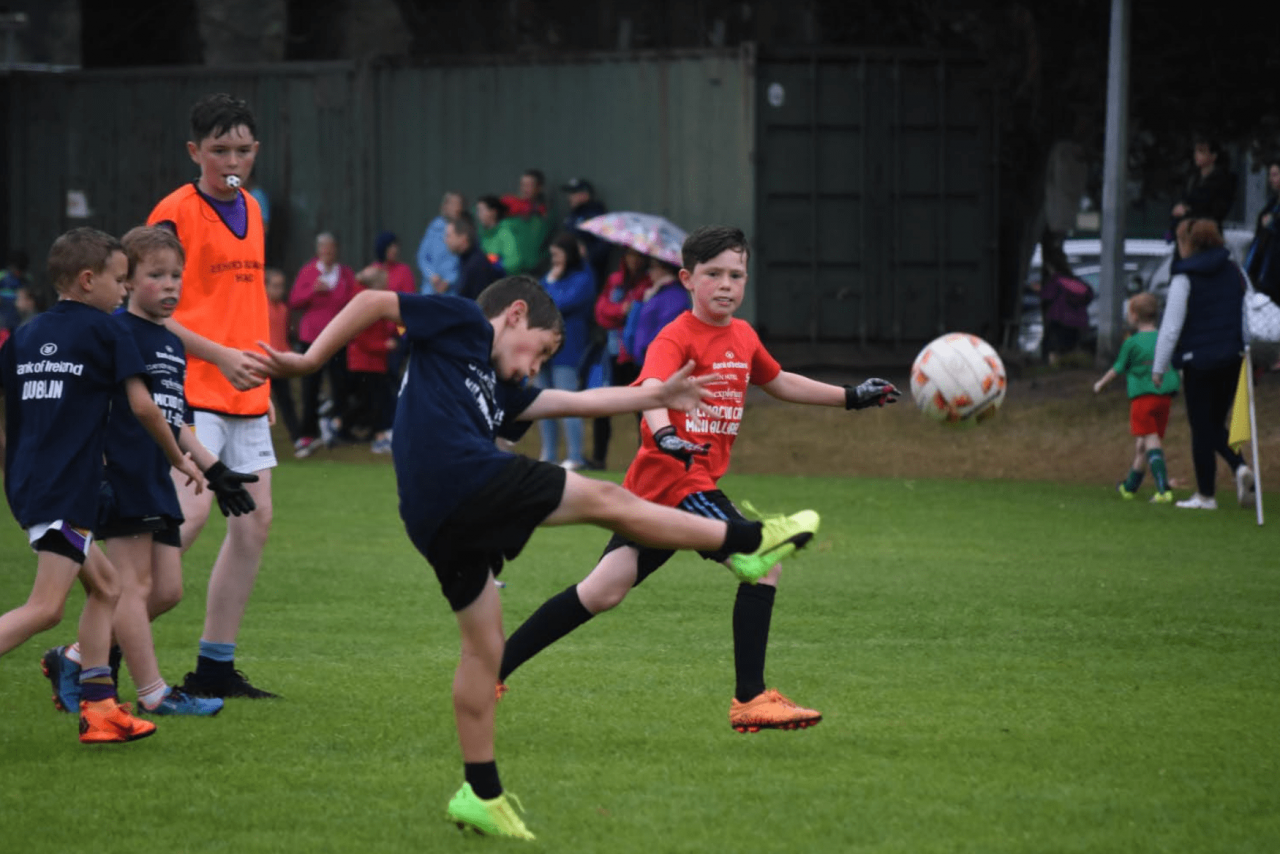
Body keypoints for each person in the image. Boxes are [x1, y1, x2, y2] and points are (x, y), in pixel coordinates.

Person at [249, 275, 821, 840]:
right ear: (515, 314)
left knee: (485, 649)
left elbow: (576, 400)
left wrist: (655, 395)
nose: (534, 366)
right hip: (461, 476)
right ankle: (748, 544)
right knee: (611, 499)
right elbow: (375, 301)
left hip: (432, 517)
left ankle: (481, 793)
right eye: (541, 351)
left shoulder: (501, 387)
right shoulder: (466, 323)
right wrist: (307, 361)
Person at [498, 225, 899, 736]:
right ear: (688, 279)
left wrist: (850, 396)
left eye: (737, 274)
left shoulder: (744, 336)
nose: (726, 284)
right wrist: (665, 436)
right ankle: (751, 699)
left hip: (660, 491)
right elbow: (651, 389)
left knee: (602, 591)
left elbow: (778, 382)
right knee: (763, 562)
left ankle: (493, 669)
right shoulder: (676, 336)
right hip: (677, 482)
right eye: (713, 274)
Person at [40, 226, 257, 718]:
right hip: (119, 474)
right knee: (131, 588)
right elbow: (105, 404)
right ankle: (154, 693)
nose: (171, 286)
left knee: (167, 591)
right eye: (156, 275)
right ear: (127, 282)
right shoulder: (113, 331)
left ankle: (73, 656)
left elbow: (172, 417)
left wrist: (214, 468)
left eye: (177, 276)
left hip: (155, 475)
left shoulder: (171, 344)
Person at [0, 227, 202, 743]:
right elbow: (143, 407)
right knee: (46, 608)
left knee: (108, 587)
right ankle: (101, 707)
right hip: (67, 491)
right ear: (89, 281)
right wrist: (178, 456)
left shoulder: (24, 334)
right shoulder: (110, 332)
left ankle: (101, 709)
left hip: (32, 486)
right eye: (119, 279)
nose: (124, 289)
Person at [147, 92, 279, 699]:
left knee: (253, 526)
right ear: (194, 151)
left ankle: (215, 667)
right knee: (191, 513)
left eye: (243, 149)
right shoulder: (172, 215)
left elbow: (243, 309)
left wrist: (260, 375)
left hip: (245, 393)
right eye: (219, 149)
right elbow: (146, 313)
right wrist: (222, 356)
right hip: (191, 386)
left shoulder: (253, 207)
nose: (232, 160)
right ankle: (90, 651)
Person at [1153, 218, 1254, 510]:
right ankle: (1240, 469)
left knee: (1202, 428)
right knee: (1214, 424)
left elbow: (1171, 327)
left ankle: (1206, 495)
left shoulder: (1184, 277)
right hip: (1232, 358)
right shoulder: (1235, 272)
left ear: (1190, 244)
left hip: (1198, 361)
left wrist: (1159, 368)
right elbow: (1250, 311)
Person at [1093, 292, 1181, 503]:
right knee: (1143, 443)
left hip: (1143, 398)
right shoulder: (1164, 337)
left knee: (1150, 440)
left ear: (1134, 316)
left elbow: (1117, 369)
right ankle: (1129, 487)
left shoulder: (1132, 343)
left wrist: (1100, 385)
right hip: (1164, 397)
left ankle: (1163, 489)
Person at [289, 232, 357, 456]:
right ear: (318, 251)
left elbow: (353, 300)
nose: (328, 253)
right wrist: (312, 291)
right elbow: (295, 300)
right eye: (324, 249)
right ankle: (308, 433)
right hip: (312, 337)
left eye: (331, 249)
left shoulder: (344, 274)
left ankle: (338, 426)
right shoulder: (309, 272)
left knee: (342, 384)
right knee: (311, 386)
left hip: (338, 336)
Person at [535, 232, 595, 470]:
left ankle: (575, 455)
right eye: (552, 256)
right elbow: (536, 301)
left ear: (569, 255)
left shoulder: (583, 277)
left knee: (567, 399)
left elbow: (560, 304)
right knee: (542, 401)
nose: (555, 260)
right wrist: (551, 279)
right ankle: (548, 453)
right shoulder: (548, 277)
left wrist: (554, 281)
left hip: (568, 347)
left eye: (558, 255)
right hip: (542, 347)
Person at [588, 249, 651, 468]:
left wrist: (626, 313)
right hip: (612, 354)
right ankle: (598, 458)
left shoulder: (648, 284)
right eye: (631, 255)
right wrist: (621, 311)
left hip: (635, 357)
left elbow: (641, 318)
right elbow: (601, 312)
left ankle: (644, 461)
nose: (635, 260)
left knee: (643, 412)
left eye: (639, 256)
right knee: (602, 407)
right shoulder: (615, 281)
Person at [348, 264, 398, 452]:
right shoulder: (364, 302)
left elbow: (388, 327)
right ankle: (376, 437)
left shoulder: (378, 302)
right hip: (365, 361)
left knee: (377, 401)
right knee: (371, 403)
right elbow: (362, 338)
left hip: (377, 361)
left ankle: (378, 434)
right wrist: (383, 345)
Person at [1033, 248, 1094, 365]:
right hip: (1078, 321)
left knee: (1054, 346)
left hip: (1060, 320)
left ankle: (1054, 368)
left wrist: (1037, 289)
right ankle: (1072, 367)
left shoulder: (1056, 281)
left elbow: (1047, 295)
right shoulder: (1075, 280)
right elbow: (1088, 295)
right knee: (1071, 346)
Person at [626, 256, 691, 365]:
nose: (649, 272)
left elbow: (664, 334)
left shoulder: (675, 297)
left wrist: (644, 350)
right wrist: (641, 302)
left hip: (657, 364)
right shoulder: (655, 293)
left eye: (653, 267)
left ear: (664, 268)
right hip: (643, 361)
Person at [265, 267, 301, 446]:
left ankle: (297, 438)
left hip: (278, 363)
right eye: (275, 286)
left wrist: (287, 355)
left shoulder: (283, 309)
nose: (280, 290)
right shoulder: (259, 307)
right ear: (266, 287)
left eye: (282, 286)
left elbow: (282, 336)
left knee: (286, 400)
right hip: (262, 363)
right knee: (260, 403)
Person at [1171, 136, 1236, 234]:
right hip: (1187, 233)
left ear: (1213, 156)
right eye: (1196, 151)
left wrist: (1189, 211)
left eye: (1201, 152)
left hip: (1208, 234)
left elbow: (1217, 211)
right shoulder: (1192, 178)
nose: (1196, 155)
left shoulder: (1223, 181)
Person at [501, 168, 550, 275]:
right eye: (523, 184)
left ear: (539, 188)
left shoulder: (543, 213)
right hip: (508, 267)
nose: (524, 189)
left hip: (533, 270)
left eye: (529, 185)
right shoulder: (509, 203)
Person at [560, 177, 609, 285]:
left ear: (585, 194)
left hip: (587, 272)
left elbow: (604, 245)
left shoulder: (596, 215)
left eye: (574, 193)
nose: (570, 197)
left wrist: (587, 254)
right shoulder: (572, 215)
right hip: (569, 269)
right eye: (570, 193)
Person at [1245, 158, 1280, 300]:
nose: (1271, 179)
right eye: (1270, 175)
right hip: (1266, 269)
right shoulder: (1270, 206)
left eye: (1276, 174)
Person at [417, 191, 463, 295]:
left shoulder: (464, 229)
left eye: (459, 204)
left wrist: (449, 281)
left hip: (452, 291)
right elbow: (422, 257)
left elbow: (463, 262)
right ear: (445, 206)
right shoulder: (434, 228)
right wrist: (432, 276)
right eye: (453, 204)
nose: (457, 208)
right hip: (430, 288)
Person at [448, 212, 502, 301]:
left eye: (449, 236)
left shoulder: (477, 264)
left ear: (462, 237)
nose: (446, 240)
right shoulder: (464, 260)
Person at [476, 196, 521, 275]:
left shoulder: (505, 233)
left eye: (481, 211)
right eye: (478, 211)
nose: (478, 215)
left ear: (493, 212)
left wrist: (494, 264)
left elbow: (513, 263)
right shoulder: (483, 234)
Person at [0, 249, 29, 332]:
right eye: (16, 270)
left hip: (18, 324)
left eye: (20, 271)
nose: (18, 273)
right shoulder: (2, 276)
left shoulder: (26, 280)